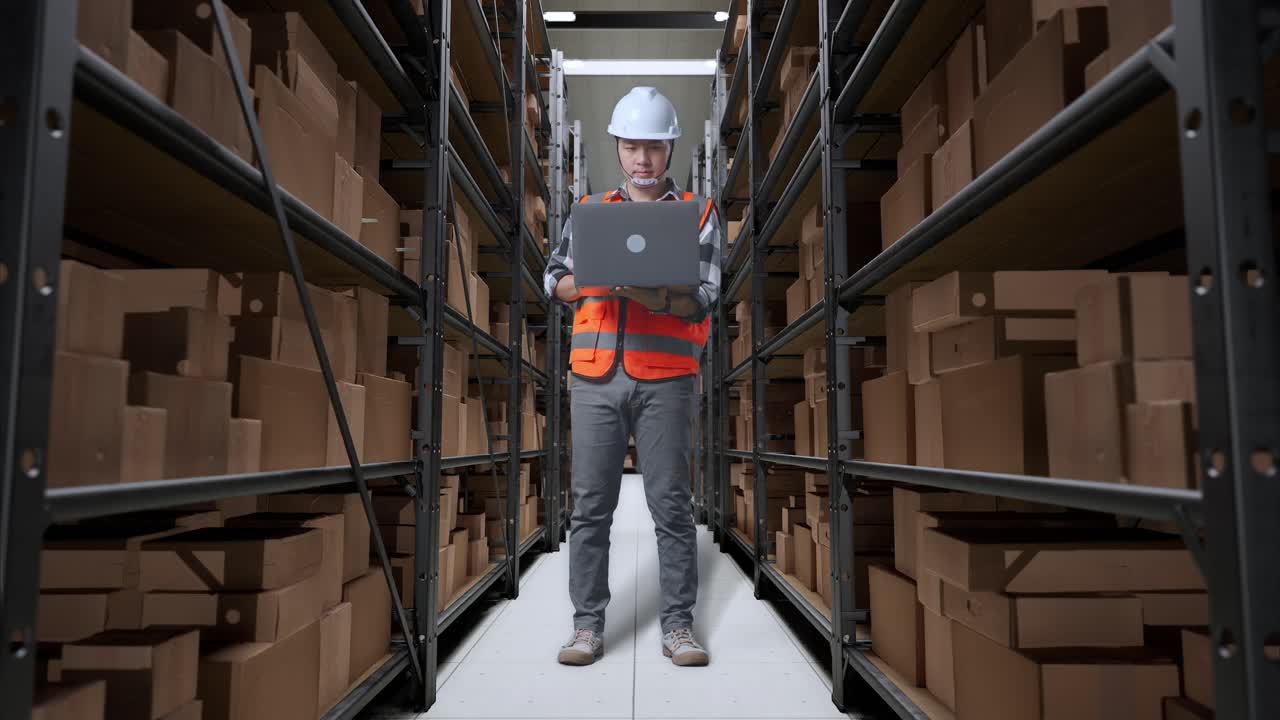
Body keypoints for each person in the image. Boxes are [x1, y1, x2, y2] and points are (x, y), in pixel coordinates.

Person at [543, 87, 722, 667]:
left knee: (671, 505)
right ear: (617, 147)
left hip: (666, 378)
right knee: (589, 507)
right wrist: (598, 280)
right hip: (595, 377)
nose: (642, 159)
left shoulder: (697, 212)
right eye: (631, 147)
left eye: (653, 147)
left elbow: (705, 297)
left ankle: (678, 628)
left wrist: (653, 294)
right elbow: (554, 279)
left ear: (670, 149)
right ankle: (586, 628)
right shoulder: (590, 211)